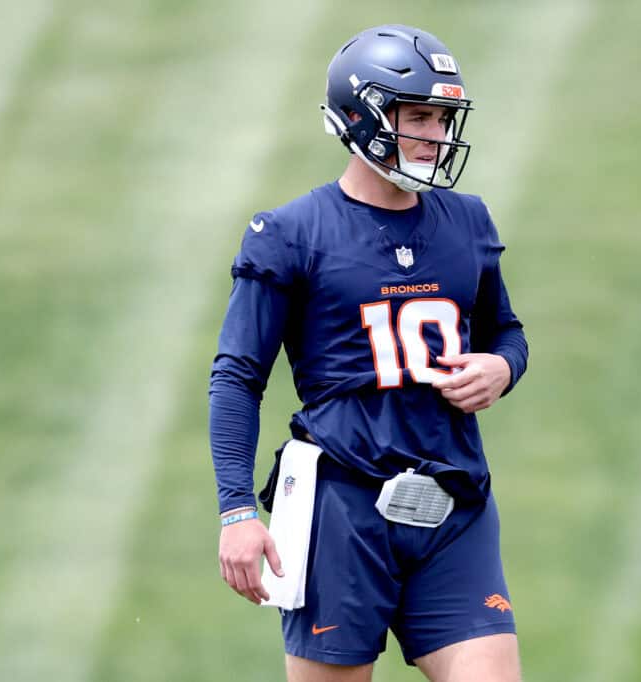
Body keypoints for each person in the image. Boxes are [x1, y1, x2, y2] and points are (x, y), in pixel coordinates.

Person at [209, 24, 528, 682]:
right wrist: (237, 510)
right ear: (363, 118)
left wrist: (502, 367)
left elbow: (507, 332)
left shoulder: (468, 221)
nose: (436, 136)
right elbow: (238, 377)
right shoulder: (292, 232)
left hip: (454, 500)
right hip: (341, 506)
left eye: (442, 119)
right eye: (418, 117)